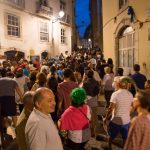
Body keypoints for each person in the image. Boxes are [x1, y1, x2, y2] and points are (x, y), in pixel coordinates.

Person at [103, 76, 133, 150]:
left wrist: (106, 118)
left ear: (119, 84)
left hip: (116, 120)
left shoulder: (115, 94)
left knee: (111, 135)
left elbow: (110, 108)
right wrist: (127, 113)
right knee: (125, 137)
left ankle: (110, 147)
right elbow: (131, 107)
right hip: (126, 120)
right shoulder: (130, 94)